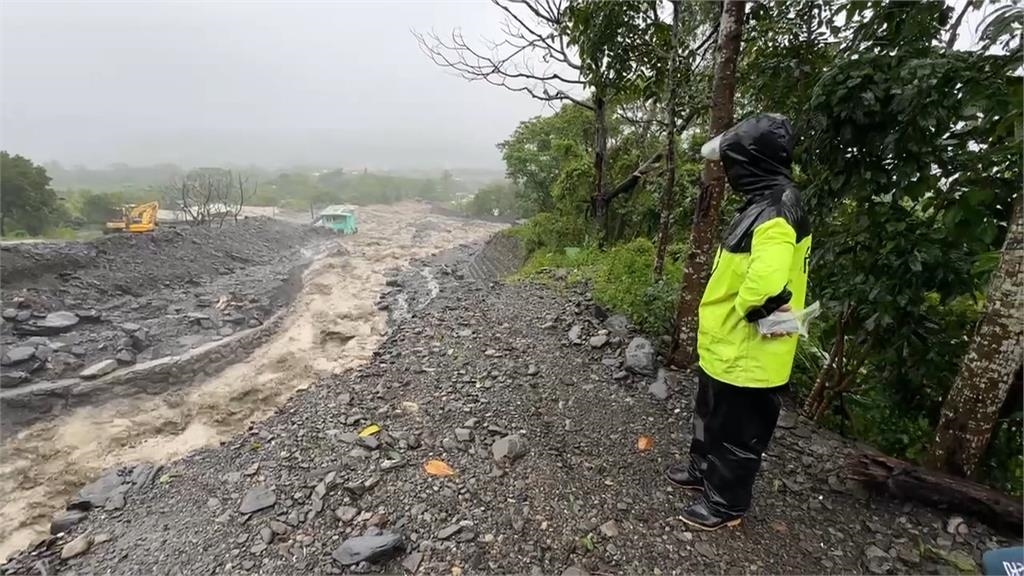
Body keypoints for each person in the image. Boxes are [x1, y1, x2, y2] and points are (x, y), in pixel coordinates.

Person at [665, 113, 811, 531]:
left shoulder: (776, 212)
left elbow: (764, 284)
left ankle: (726, 504)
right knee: (711, 413)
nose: (728, 172)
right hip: (727, 344)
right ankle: (702, 471)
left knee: (738, 429)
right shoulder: (768, 202)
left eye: (731, 162)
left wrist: (749, 309)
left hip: (748, 349)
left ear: (750, 161)